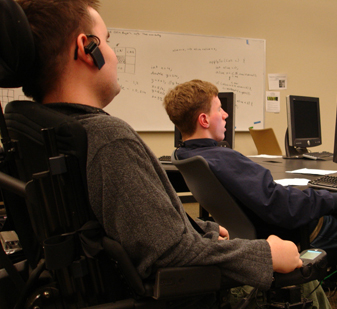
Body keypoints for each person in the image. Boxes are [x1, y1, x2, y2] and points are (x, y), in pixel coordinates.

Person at [13, 0, 304, 307]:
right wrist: (266, 255)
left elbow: (138, 228)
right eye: (109, 41)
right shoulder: (107, 138)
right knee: (305, 280)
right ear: (87, 48)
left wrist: (199, 227)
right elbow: (169, 254)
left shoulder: (39, 128)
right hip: (179, 294)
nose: (114, 54)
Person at [163, 79, 337, 309]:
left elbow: (273, 199)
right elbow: (285, 207)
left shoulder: (184, 155)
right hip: (296, 233)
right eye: (219, 109)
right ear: (203, 119)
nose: (225, 115)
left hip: (258, 233)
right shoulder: (224, 159)